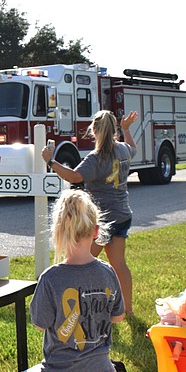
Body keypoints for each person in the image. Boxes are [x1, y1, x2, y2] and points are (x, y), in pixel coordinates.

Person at [30, 189, 125, 372]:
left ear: (58, 231)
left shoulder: (51, 278)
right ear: (96, 231)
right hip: (98, 371)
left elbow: (41, 323)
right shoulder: (107, 272)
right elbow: (118, 315)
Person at [42, 109, 138, 314]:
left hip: (101, 220)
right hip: (122, 215)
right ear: (114, 130)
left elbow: (75, 177)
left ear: (94, 130)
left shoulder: (96, 158)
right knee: (119, 264)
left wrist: (50, 161)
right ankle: (126, 310)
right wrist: (127, 129)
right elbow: (133, 148)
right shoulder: (122, 150)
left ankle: (78, 309)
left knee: (80, 263)